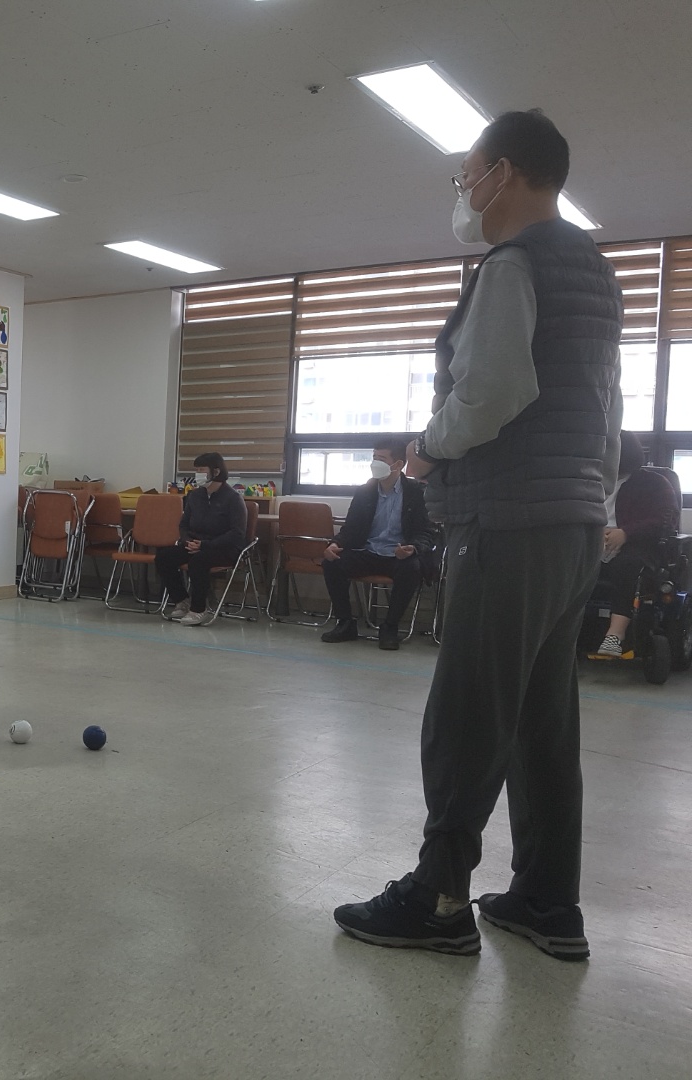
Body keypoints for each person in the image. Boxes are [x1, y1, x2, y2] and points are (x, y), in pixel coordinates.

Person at [334, 110, 622, 961]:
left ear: (505, 173)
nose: (463, 189)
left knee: (467, 711)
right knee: (542, 720)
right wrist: (595, 503)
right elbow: (603, 414)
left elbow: (491, 390)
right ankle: (546, 900)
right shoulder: (595, 270)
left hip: (508, 522)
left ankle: (438, 900)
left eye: (468, 173)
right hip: (572, 525)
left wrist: (427, 450)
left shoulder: (513, 263)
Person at [320, 438, 437, 650]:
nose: (375, 463)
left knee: (412, 568)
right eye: (374, 457)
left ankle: (390, 627)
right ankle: (345, 623)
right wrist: (334, 544)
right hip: (368, 551)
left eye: (381, 459)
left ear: (398, 464)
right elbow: (350, 528)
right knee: (332, 562)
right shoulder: (365, 491)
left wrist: (413, 548)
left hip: (398, 555)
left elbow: (426, 532)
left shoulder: (416, 492)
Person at [595, 431, 682, 657]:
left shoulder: (655, 483)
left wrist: (626, 533)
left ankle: (615, 634)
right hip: (593, 543)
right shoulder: (593, 481)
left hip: (637, 547)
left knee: (626, 565)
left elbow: (665, 520)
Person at [156, 452, 247, 626]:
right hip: (195, 544)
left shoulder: (233, 499)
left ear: (216, 471)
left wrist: (205, 545)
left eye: (201, 470)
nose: (197, 474)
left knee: (198, 561)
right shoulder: (195, 496)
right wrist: (187, 541)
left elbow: (237, 533)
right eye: (196, 470)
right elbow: (184, 524)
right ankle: (182, 600)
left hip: (223, 548)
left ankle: (199, 610)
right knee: (163, 557)